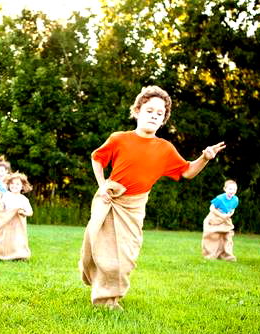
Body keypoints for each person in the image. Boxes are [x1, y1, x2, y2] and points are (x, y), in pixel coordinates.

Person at [79, 85, 226, 310]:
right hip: (110, 201)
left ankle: (109, 292)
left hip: (135, 207)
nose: (154, 116)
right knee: (99, 249)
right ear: (137, 111)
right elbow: (97, 158)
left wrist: (204, 158)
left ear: (163, 120)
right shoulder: (119, 139)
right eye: (150, 110)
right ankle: (106, 300)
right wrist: (101, 187)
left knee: (126, 257)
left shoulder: (165, 148)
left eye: (160, 113)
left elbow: (187, 171)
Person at [0, 172, 33, 261]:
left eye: (17, 184)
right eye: (12, 183)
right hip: (6, 222)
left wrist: (23, 213)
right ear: (8, 185)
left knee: (18, 240)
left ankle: (20, 255)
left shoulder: (23, 199)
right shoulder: (6, 196)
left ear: (22, 186)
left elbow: (30, 212)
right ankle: (3, 255)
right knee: (5, 240)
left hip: (18, 225)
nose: (14, 186)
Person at [202, 179, 239, 261]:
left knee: (228, 235)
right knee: (213, 235)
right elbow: (211, 208)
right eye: (230, 189)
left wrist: (229, 215)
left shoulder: (235, 199)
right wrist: (221, 215)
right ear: (225, 189)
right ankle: (210, 254)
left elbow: (233, 209)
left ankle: (227, 255)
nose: (232, 191)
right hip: (215, 216)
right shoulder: (220, 198)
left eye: (234, 189)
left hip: (226, 218)